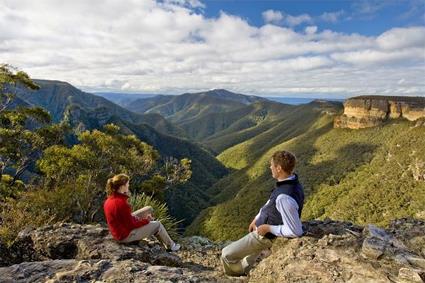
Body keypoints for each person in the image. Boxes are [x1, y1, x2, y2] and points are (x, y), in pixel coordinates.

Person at [221, 150, 304, 276]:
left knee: (226, 254)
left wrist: (267, 228)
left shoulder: (284, 197)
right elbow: (270, 203)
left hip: (265, 236)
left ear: (279, 168)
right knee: (249, 255)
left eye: (272, 165)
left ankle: (236, 275)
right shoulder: (291, 182)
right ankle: (247, 267)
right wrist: (257, 218)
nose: (270, 167)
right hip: (262, 229)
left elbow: (295, 231)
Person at [103, 173, 180, 251]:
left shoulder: (109, 200)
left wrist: (136, 218)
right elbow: (130, 226)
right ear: (122, 186)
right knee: (158, 225)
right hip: (124, 236)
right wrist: (146, 221)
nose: (129, 186)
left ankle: (151, 231)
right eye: (128, 184)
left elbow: (123, 218)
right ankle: (171, 246)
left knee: (148, 209)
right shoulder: (121, 204)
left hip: (119, 230)